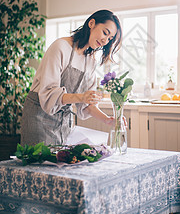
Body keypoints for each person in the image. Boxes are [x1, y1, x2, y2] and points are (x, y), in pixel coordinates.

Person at [21, 9, 122, 146]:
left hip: (63, 122)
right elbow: (49, 93)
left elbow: (87, 105)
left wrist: (108, 120)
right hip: (39, 116)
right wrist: (81, 97)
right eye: (105, 33)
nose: (105, 41)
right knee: (39, 164)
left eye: (110, 39)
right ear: (91, 23)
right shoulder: (60, 47)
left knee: (61, 165)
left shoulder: (90, 61)